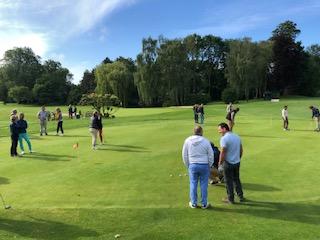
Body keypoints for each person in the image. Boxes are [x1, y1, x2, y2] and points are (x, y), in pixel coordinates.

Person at [182, 126, 214, 209]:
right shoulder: (206, 141)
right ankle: (204, 204)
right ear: (202, 132)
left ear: (193, 131)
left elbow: (184, 155)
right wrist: (209, 165)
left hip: (193, 165)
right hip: (204, 165)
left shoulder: (187, 140)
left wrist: (188, 165)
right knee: (204, 184)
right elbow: (211, 155)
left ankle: (193, 203)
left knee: (193, 183)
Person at [218, 123, 244, 204]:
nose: (219, 131)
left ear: (224, 129)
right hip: (237, 162)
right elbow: (241, 150)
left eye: (220, 129)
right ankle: (240, 196)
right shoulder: (237, 136)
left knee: (228, 181)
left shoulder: (224, 138)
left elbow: (223, 151)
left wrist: (220, 162)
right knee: (236, 179)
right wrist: (238, 158)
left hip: (228, 163)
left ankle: (230, 199)